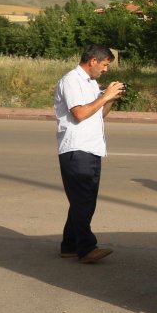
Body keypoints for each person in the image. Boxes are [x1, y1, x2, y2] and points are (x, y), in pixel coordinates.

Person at [54, 44, 126, 263]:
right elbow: (80, 113)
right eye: (104, 65)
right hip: (77, 148)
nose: (105, 70)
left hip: (91, 148)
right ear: (93, 61)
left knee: (82, 200)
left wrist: (110, 98)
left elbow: (98, 114)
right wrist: (104, 97)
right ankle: (86, 248)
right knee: (84, 201)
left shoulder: (91, 83)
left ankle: (69, 245)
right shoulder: (71, 80)